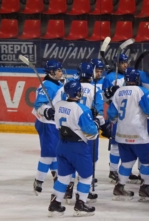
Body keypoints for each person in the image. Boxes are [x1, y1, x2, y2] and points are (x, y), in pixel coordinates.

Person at [47, 80, 99, 217]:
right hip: (78, 148)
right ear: (78, 92)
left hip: (62, 146)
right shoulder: (82, 109)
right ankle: (81, 204)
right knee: (86, 177)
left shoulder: (58, 105)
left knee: (63, 177)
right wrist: (96, 122)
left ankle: (55, 203)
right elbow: (92, 134)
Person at [107, 67, 149, 201]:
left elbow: (112, 114)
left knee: (126, 162)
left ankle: (120, 186)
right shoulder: (141, 91)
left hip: (122, 134)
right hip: (139, 134)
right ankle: (145, 187)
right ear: (137, 78)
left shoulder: (118, 92)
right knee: (147, 162)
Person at [63, 62, 104, 203]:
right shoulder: (95, 89)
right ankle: (87, 190)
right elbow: (99, 113)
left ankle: (69, 188)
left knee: (70, 161)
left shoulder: (71, 87)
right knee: (89, 160)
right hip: (88, 128)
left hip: (72, 130)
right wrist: (101, 124)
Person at [102, 54, 142, 184]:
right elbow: (105, 98)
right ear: (116, 64)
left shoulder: (130, 75)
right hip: (116, 117)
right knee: (115, 144)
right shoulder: (109, 77)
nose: (125, 65)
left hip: (129, 116)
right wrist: (109, 95)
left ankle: (126, 170)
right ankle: (113, 171)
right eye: (122, 63)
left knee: (127, 146)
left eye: (126, 62)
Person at [32, 60, 63, 196]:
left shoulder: (57, 83)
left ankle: (56, 177)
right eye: (58, 70)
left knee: (55, 152)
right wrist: (47, 111)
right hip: (46, 124)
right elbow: (38, 104)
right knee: (48, 154)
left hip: (54, 123)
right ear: (51, 72)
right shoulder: (48, 86)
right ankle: (39, 180)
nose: (61, 72)